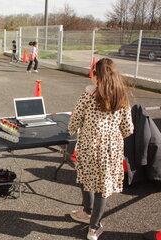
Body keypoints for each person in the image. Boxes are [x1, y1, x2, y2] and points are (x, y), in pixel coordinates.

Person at [68, 58, 134, 240]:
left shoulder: (88, 94)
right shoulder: (121, 96)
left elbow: (74, 122)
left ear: (97, 76)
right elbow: (128, 129)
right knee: (102, 188)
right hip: (111, 149)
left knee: (86, 177)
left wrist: (77, 127)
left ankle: (88, 213)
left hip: (89, 146)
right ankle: (93, 228)